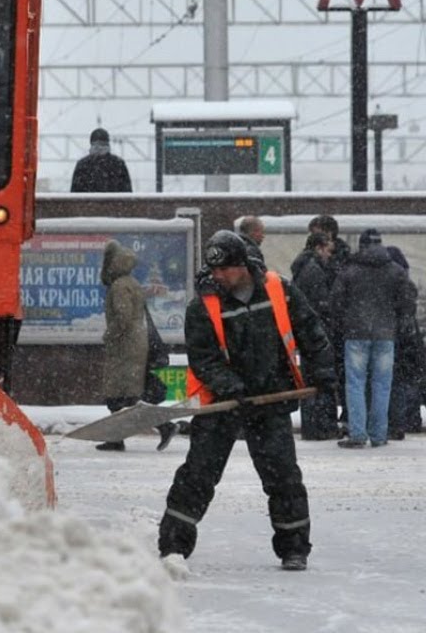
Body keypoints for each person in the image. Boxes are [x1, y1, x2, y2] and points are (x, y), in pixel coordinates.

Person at [158, 230, 337, 572]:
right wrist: (232, 387)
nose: (218, 276)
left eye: (225, 269)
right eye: (214, 271)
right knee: (198, 475)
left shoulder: (279, 290)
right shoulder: (203, 307)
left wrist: (323, 374)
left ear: (242, 265)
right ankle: (173, 545)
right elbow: (204, 359)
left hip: (270, 399)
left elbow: (311, 332)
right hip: (222, 403)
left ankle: (293, 547)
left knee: (283, 476)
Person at [331, 229, 415, 448]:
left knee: (355, 384)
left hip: (356, 333)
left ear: (361, 245)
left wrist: (343, 324)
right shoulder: (395, 270)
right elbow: (407, 302)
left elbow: (336, 302)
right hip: (386, 334)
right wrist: (398, 323)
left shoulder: (350, 270)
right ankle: (379, 434)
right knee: (382, 385)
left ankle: (358, 434)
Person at [94, 241, 177, 452]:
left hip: (125, 347)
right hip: (135, 344)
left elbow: (123, 318)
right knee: (126, 394)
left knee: (121, 395)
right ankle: (119, 437)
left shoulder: (120, 286)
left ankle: (163, 426)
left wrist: (109, 335)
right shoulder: (132, 282)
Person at [293, 232, 342, 440]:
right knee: (320, 380)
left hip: (308, 335)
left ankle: (314, 426)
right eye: (328, 250)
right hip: (315, 335)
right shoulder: (314, 271)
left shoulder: (303, 268)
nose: (329, 255)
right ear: (319, 248)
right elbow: (320, 306)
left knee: (313, 379)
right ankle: (319, 427)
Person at [385, 245, 425, 438]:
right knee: (408, 381)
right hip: (409, 339)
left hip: (397, 339)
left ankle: (400, 421)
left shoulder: (392, 283)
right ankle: (411, 419)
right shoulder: (406, 283)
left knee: (397, 382)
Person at [70, 128, 132, 193]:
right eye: (96, 145)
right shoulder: (118, 164)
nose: (99, 148)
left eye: (102, 144)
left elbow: (75, 194)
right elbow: (127, 193)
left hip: (89, 202)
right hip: (113, 202)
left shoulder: (82, 165)